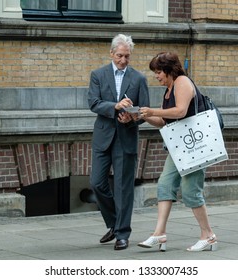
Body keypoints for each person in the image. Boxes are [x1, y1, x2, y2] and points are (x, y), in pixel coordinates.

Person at [137, 51, 217, 252]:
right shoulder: (168, 89)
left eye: (158, 72)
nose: (156, 76)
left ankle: (208, 235)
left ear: (168, 69)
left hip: (195, 147)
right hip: (181, 147)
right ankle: (159, 233)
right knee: (164, 185)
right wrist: (143, 116)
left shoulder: (182, 82)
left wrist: (153, 111)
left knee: (191, 190)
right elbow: (164, 121)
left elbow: (180, 111)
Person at [87, 34, 150, 250]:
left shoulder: (139, 79)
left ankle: (123, 234)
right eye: (120, 56)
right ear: (112, 53)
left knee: (124, 188)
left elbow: (144, 112)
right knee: (96, 182)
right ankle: (114, 223)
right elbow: (94, 103)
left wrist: (131, 118)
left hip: (126, 138)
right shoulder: (98, 75)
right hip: (103, 137)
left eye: (127, 56)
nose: (123, 60)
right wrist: (115, 107)